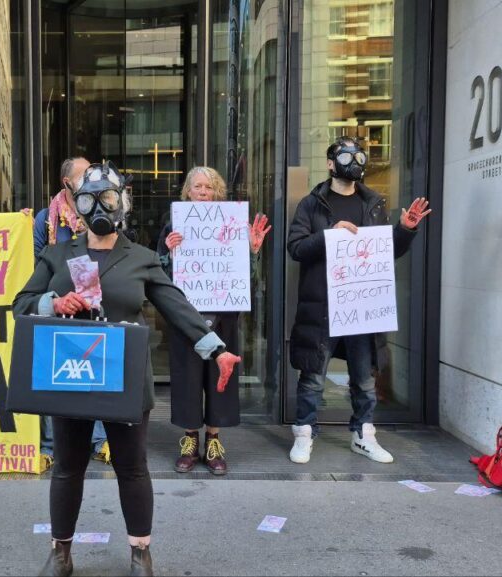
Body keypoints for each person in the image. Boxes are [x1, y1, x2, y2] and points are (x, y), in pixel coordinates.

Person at [14, 162, 241, 577]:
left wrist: (217, 350)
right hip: (72, 374)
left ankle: (140, 552)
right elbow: (21, 303)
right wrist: (53, 302)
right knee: (68, 466)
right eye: (89, 200)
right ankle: (61, 552)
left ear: (122, 202)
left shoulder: (141, 258)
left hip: (124, 377)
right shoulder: (58, 254)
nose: (99, 207)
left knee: (132, 466)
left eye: (107, 198)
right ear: (78, 205)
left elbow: (177, 307)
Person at [286, 136, 431, 464]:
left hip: (361, 307)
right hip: (322, 306)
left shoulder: (373, 203)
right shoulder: (312, 204)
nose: (353, 162)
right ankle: (304, 434)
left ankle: (363, 434)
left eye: (358, 156)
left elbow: (384, 252)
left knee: (364, 378)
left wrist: (405, 230)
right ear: (330, 163)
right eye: (345, 156)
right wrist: (330, 234)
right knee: (313, 376)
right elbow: (296, 247)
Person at [157, 166, 271, 475]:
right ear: (188, 191)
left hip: (223, 315)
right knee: (188, 378)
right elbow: (160, 277)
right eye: (197, 186)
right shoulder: (173, 225)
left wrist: (253, 251)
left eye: (209, 187)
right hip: (187, 317)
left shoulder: (233, 225)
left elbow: (248, 278)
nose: (203, 192)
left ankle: (214, 440)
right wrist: (168, 253)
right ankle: (190, 440)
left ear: (217, 192)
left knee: (221, 377)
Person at [32, 157, 110, 470]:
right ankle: (50, 445)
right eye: (83, 175)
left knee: (95, 373)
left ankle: (100, 440)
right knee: (56, 376)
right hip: (60, 307)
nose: (91, 178)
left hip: (93, 307)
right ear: (67, 183)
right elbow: (36, 259)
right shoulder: (45, 219)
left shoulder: (104, 210)